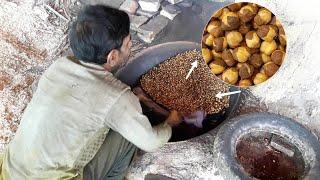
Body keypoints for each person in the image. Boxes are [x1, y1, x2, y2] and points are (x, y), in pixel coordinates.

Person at [0, 5, 181, 180]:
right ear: (112, 57)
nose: (131, 44)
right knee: (128, 137)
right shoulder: (116, 96)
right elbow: (149, 141)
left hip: (10, 171)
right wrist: (170, 123)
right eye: (128, 43)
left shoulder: (58, 66)